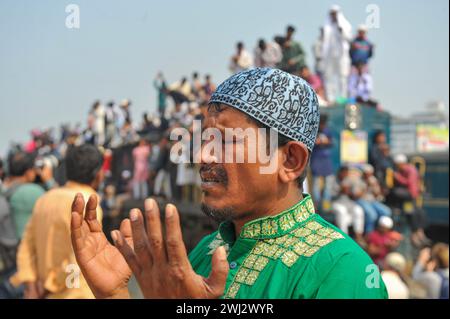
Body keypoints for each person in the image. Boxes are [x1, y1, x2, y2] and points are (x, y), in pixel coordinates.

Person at [70, 68, 387, 299]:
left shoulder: (342, 272)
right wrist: (114, 295)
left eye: (226, 141)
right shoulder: (208, 252)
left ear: (289, 160)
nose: (203, 156)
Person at [10, 144, 104, 298]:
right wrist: (51, 285)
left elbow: (26, 246)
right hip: (76, 293)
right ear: (99, 174)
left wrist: (30, 284)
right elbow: (78, 259)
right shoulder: (89, 205)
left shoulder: (45, 199)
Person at [391, 154, 430, 247]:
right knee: (415, 212)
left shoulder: (410, 170)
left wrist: (397, 177)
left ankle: (417, 234)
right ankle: (418, 234)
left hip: (409, 196)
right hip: (409, 198)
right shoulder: (405, 170)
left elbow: (409, 183)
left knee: (413, 212)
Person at [321, 5, 352, 102]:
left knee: (342, 76)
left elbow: (349, 38)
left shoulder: (345, 25)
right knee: (329, 76)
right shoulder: (327, 26)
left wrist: (341, 30)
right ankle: (330, 98)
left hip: (341, 55)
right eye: (332, 14)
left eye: (335, 14)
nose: (333, 16)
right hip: (329, 55)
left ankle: (343, 97)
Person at [357, 164, 392, 233]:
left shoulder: (373, 179)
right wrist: (366, 186)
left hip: (372, 201)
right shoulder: (358, 180)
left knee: (387, 212)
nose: (368, 176)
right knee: (372, 215)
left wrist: (374, 187)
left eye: (370, 174)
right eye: (367, 174)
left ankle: (380, 231)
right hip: (361, 200)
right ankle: (369, 233)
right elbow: (357, 195)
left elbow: (377, 195)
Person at [310, 114, 334, 211]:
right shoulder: (314, 130)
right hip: (316, 159)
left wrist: (326, 142)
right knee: (316, 184)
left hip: (326, 161)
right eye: (322, 123)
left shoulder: (327, 131)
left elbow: (332, 143)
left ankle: (326, 206)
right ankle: (317, 206)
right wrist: (317, 142)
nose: (323, 125)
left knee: (328, 183)